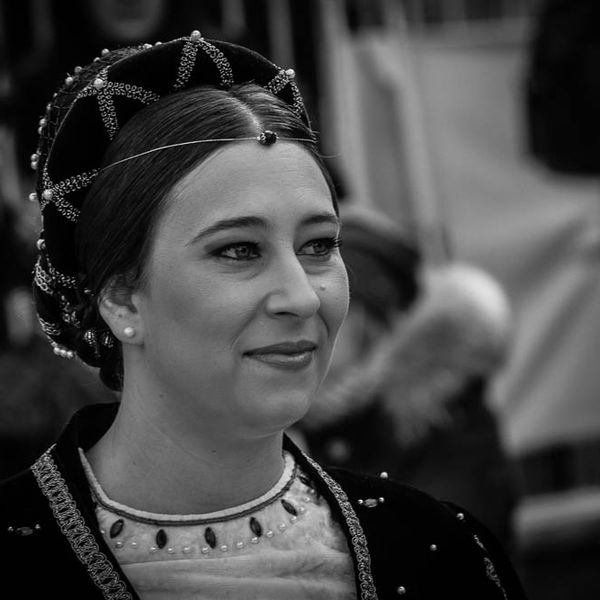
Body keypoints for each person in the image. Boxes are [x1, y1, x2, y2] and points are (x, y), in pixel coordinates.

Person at [0, 32, 527, 599]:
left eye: (319, 245)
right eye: (239, 250)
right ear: (122, 298)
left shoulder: (436, 550)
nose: (302, 297)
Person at [297, 204, 519, 552]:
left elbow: (437, 555)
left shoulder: (444, 419)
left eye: (327, 306)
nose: (305, 323)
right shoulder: (287, 416)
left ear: (375, 320)